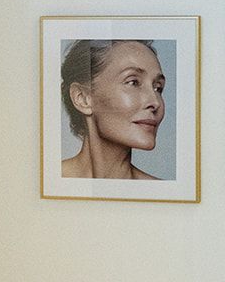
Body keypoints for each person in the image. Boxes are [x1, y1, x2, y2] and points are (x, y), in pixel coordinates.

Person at [60, 39, 167, 180]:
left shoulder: (162, 193)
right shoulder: (41, 180)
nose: (155, 102)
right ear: (83, 98)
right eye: (133, 82)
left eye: (158, 88)